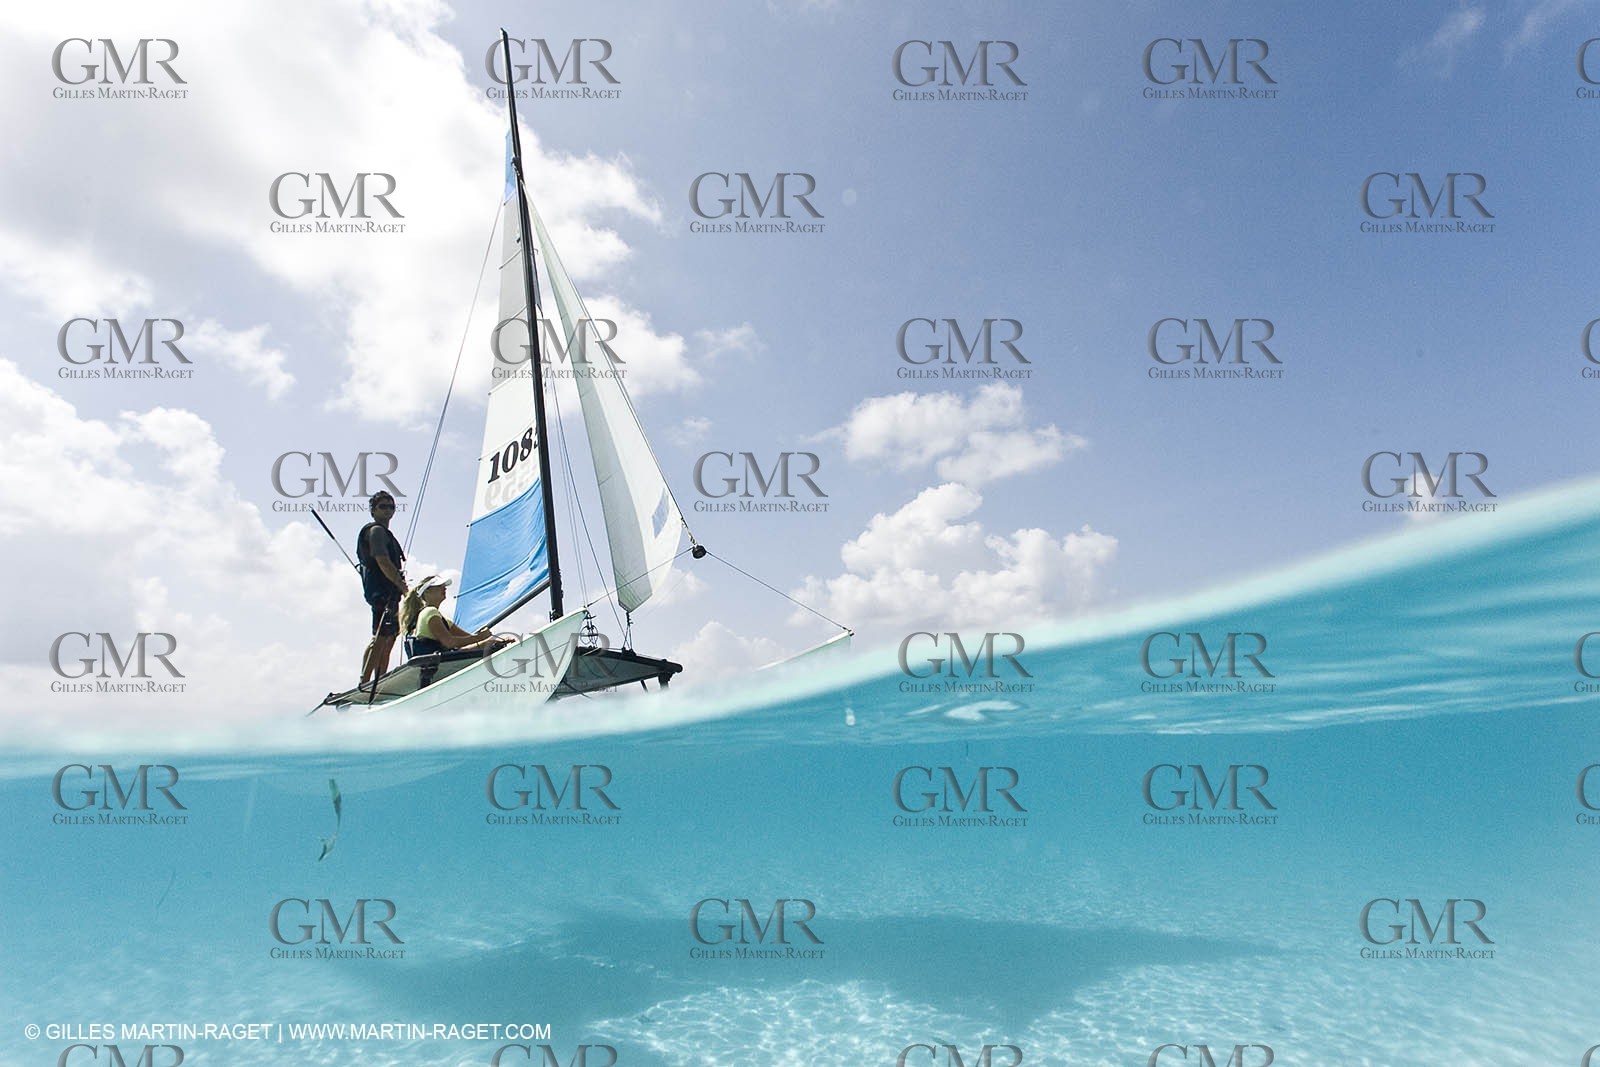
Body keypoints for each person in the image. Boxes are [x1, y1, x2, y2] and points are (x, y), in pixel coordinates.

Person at [356, 491, 406, 688]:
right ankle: (365, 681)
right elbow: (383, 561)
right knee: (380, 636)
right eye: (383, 506)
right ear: (373, 510)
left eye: (391, 506)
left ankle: (380, 680)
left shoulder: (386, 534)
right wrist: (404, 588)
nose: (388, 510)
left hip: (390, 592)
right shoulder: (375, 531)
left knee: (391, 636)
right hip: (381, 592)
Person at [399, 575, 502, 656]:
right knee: (490, 644)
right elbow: (449, 642)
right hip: (435, 663)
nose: (444, 588)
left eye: (444, 586)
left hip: (441, 659)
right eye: (439, 586)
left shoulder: (442, 619)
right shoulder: (430, 612)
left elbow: (469, 638)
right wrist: (481, 637)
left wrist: (486, 639)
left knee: (491, 643)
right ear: (427, 591)